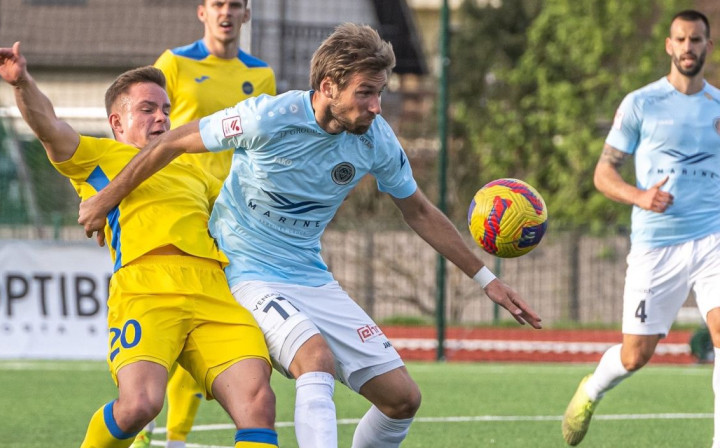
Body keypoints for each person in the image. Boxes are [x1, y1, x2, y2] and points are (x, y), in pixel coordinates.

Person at [78, 23, 542, 448]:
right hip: (243, 268)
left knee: (402, 400)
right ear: (327, 87)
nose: (376, 106)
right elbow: (172, 141)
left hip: (309, 274)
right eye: (365, 93)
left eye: (380, 93)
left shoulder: (376, 139)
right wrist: (106, 199)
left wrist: (487, 280)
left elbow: (418, 210)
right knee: (313, 358)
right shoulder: (267, 118)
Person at [0, 41, 279, 448]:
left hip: (212, 289)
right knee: (139, 404)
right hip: (145, 289)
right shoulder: (98, 156)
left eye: (166, 110)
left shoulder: (193, 170)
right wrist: (21, 82)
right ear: (117, 123)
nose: (162, 117)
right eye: (148, 109)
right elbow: (48, 124)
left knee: (258, 403)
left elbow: (241, 222)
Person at [561, 9, 720, 447]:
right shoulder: (641, 103)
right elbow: (603, 173)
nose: (689, 47)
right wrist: (641, 196)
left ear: (708, 45)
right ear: (669, 46)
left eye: (697, 40)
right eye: (681, 40)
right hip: (657, 244)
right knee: (636, 355)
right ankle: (592, 388)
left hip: (713, 240)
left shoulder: (718, 107)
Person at [136, 0, 276, 446]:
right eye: (218, 3)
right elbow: (148, 131)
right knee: (166, 321)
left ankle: (176, 439)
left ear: (246, 15)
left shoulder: (263, 75)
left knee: (208, 324)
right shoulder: (173, 63)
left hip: (233, 220)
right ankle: (141, 435)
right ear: (202, 11)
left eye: (236, 5)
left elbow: (263, 145)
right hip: (180, 209)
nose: (227, 12)